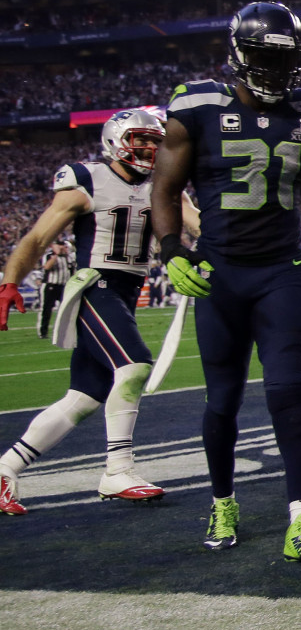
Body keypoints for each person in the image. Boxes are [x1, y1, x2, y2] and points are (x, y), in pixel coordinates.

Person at [151, 2, 301, 564]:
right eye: (265, 57)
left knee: (292, 390)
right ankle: (222, 502)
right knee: (223, 398)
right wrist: (170, 250)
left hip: (282, 272)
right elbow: (164, 188)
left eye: (286, 59)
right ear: (239, 54)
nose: (276, 70)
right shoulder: (197, 107)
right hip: (221, 274)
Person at [0, 109, 186, 516]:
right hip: (94, 286)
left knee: (83, 397)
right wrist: (10, 281)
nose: (150, 147)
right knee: (134, 366)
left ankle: (5, 468)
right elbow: (38, 238)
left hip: (126, 292)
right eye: (141, 139)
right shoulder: (87, 180)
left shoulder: (163, 184)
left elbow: (201, 226)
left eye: (155, 141)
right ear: (116, 140)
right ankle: (118, 470)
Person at [34, 242, 71, 340]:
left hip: (63, 286)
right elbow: (47, 267)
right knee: (46, 309)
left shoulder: (68, 258)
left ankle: (62, 331)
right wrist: (56, 254)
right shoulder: (49, 256)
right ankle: (43, 332)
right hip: (50, 286)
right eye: (63, 247)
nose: (65, 249)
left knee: (66, 309)